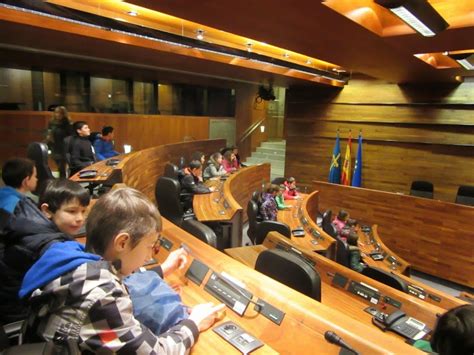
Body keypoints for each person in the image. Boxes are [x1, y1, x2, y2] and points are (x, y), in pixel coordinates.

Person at [20, 187, 224, 353]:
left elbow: (119, 276)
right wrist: (193, 323)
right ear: (123, 242)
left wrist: (162, 270)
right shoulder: (102, 294)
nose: (150, 256)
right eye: (150, 245)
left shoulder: (72, 254)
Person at [0, 179, 89, 324]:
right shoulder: (46, 244)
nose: (80, 218)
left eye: (83, 211)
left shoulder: (31, 222)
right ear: (47, 210)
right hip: (22, 317)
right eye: (71, 211)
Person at [46, 106, 72, 178]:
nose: (57, 114)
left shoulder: (67, 123)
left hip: (63, 146)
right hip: (54, 145)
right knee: (58, 164)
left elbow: (70, 135)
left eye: (60, 113)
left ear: (64, 114)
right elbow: (49, 131)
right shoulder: (51, 122)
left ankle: (62, 180)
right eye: (56, 112)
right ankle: (62, 179)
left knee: (61, 166)